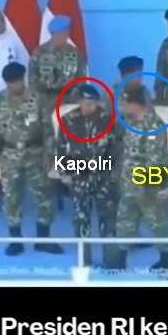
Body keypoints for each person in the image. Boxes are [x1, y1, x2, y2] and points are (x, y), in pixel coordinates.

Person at [0, 62, 63, 256]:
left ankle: (43, 239)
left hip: (35, 153)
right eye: (11, 83)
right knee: (11, 197)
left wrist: (49, 153)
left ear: (23, 79)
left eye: (18, 81)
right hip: (9, 155)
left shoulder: (38, 99)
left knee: (43, 196)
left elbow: (48, 129)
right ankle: (15, 241)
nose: (15, 86)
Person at [105, 85, 168, 272]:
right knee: (125, 220)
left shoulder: (153, 126)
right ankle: (119, 261)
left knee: (156, 220)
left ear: (136, 104)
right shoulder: (131, 122)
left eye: (126, 103)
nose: (123, 107)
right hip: (129, 183)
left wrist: (148, 188)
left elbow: (155, 160)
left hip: (146, 183)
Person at [56, 85, 117, 265]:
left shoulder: (108, 119)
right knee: (81, 217)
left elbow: (116, 147)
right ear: (79, 102)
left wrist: (114, 171)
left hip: (103, 172)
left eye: (92, 103)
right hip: (79, 173)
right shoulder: (68, 120)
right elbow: (61, 147)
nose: (88, 107)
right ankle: (85, 258)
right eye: (85, 102)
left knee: (108, 216)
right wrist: (64, 172)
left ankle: (110, 259)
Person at [29, 15, 87, 113]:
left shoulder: (75, 54)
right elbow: (33, 79)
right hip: (45, 103)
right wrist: (41, 101)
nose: (65, 36)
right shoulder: (39, 53)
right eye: (59, 34)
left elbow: (81, 79)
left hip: (69, 102)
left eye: (65, 33)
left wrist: (73, 99)